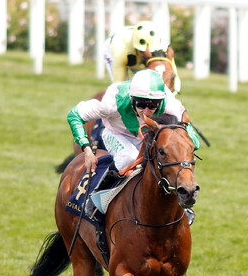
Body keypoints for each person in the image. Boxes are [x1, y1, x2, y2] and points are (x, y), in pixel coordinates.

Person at [67, 69, 200, 225]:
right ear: (132, 99)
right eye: (141, 104)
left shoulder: (171, 106)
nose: (147, 111)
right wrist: (87, 149)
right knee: (127, 157)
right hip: (117, 133)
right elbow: (74, 115)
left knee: (172, 156)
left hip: (149, 133)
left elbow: (192, 141)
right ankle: (97, 198)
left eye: (153, 105)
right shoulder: (113, 102)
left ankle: (183, 204)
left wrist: (187, 146)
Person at [104, 20, 182, 95]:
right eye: (141, 51)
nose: (144, 53)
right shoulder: (121, 51)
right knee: (124, 88)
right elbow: (118, 84)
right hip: (113, 51)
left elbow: (173, 72)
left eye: (150, 52)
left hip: (135, 51)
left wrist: (174, 91)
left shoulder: (163, 47)